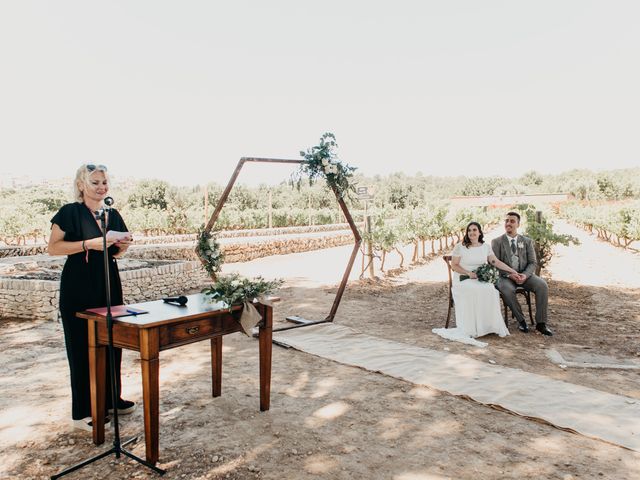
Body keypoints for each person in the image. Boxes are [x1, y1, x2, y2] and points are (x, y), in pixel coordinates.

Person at [48, 163, 136, 432]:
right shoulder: (69, 212)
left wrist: (122, 246)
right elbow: (53, 248)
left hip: (108, 282)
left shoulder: (112, 214)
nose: (101, 187)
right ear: (81, 185)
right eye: (95, 182)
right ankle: (83, 411)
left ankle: (111, 399)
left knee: (112, 340)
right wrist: (89, 244)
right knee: (80, 346)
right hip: (78, 285)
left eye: (104, 182)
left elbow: (115, 253)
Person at [433, 222, 520, 347]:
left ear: (480, 232)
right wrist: (468, 273)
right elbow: (454, 265)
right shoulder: (460, 247)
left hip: (479, 278)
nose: (472, 233)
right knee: (473, 290)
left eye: (474, 230)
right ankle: (472, 329)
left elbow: (496, 262)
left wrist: (513, 271)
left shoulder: (485, 247)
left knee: (491, 289)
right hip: (463, 279)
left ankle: (488, 326)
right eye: (469, 230)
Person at [491, 211, 552, 336]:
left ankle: (541, 323)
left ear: (518, 224)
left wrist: (525, 275)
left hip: (525, 275)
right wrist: (509, 274)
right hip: (505, 277)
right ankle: (521, 320)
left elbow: (533, 262)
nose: (508, 223)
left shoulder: (527, 241)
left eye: (512, 221)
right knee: (505, 289)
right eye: (506, 221)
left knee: (542, 285)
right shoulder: (496, 242)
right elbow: (494, 264)